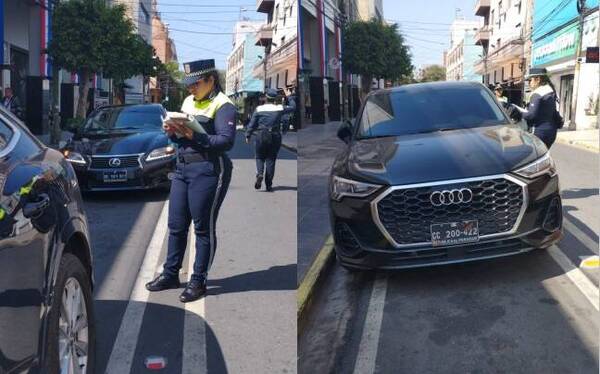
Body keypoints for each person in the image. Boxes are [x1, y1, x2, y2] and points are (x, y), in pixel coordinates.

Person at [146, 59, 236, 302]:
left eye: (195, 84)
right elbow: (182, 139)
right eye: (188, 85)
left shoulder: (223, 105)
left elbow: (226, 142)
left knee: (203, 228)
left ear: (210, 80)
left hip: (208, 170)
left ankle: (198, 280)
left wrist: (193, 135)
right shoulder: (188, 102)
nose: (190, 89)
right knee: (176, 225)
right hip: (183, 168)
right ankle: (170, 274)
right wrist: (173, 133)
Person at [245, 88, 296, 192]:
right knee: (271, 159)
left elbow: (252, 124)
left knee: (259, 157)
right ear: (275, 98)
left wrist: (248, 135)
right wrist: (289, 96)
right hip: (275, 135)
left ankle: (260, 174)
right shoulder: (279, 108)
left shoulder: (259, 109)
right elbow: (293, 107)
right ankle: (268, 185)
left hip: (261, 134)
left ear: (266, 98)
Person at [512, 67, 563, 149]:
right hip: (551, 132)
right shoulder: (551, 91)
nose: (529, 83)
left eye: (530, 80)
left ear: (538, 79)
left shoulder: (538, 93)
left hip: (539, 132)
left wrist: (518, 112)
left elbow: (531, 116)